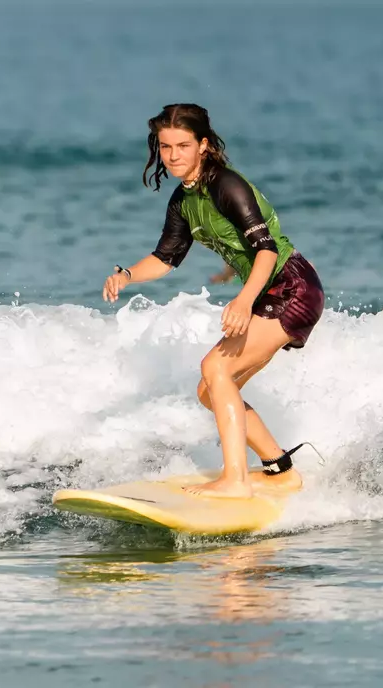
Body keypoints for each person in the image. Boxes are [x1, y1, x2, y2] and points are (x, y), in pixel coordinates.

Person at [103, 104, 323, 498]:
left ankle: (235, 481)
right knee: (211, 389)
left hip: (292, 286)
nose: (172, 155)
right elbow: (166, 257)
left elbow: (267, 250)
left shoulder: (227, 185)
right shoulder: (183, 201)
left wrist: (242, 301)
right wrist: (127, 275)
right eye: (165, 146)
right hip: (268, 291)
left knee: (213, 367)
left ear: (203, 145)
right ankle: (279, 467)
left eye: (183, 145)